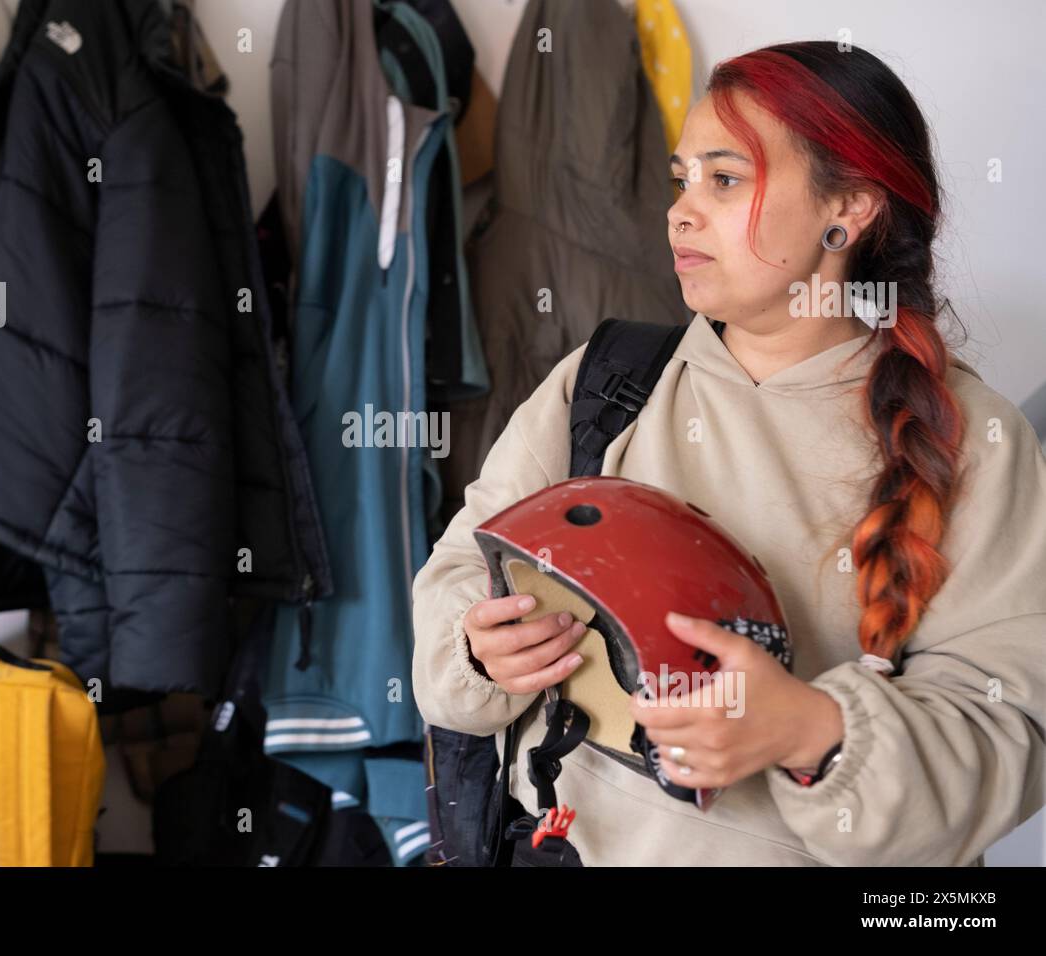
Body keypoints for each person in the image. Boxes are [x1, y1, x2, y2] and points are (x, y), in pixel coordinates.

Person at [411, 41, 1046, 867]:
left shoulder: (973, 439)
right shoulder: (605, 379)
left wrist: (815, 732)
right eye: (682, 180)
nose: (680, 212)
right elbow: (462, 567)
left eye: (725, 179)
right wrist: (480, 645)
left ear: (847, 209)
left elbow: (1009, 731)